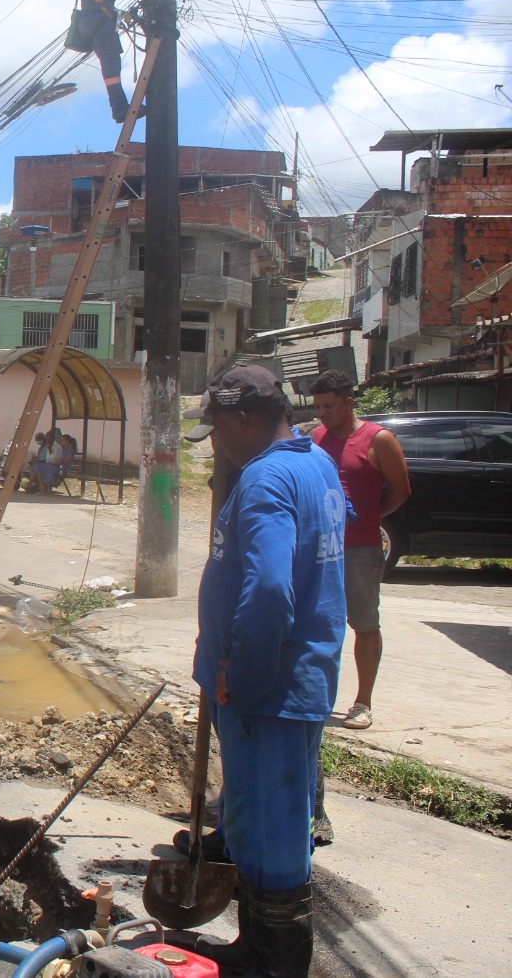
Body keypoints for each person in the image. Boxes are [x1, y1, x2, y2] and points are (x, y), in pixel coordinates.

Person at [183, 365, 347, 978]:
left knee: (272, 829)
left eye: (220, 429)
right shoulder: (316, 466)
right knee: (269, 817)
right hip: (298, 678)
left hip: (268, 688)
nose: (218, 443)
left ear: (244, 420)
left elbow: (273, 588)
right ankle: (258, 948)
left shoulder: (268, 479)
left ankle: (272, 961)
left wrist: (239, 675)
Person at [309, 370, 409, 732]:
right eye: (318, 406)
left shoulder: (378, 439)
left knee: (364, 622)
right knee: (319, 621)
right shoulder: (317, 437)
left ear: (349, 402)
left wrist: (371, 517)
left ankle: (363, 702)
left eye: (329, 406)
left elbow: (401, 490)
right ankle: (317, 696)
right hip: (322, 545)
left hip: (361, 547)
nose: (322, 413)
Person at [70, 0, 142, 123]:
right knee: (111, 66)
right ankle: (119, 110)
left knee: (110, 66)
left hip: (91, 24)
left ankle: (119, 109)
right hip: (98, 21)